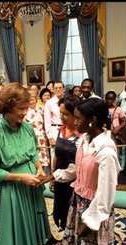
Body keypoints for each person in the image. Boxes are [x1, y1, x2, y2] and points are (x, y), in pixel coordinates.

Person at [39, 98, 120, 245]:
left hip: (94, 207)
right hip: (79, 201)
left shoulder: (106, 151)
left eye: (78, 118)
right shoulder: (85, 139)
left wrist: (91, 222)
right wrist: (52, 176)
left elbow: (106, 192)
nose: (74, 122)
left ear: (93, 120)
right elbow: (78, 169)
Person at [0, 82, 51, 245]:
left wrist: (38, 167)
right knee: (18, 233)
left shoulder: (28, 128)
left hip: (32, 186)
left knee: (33, 230)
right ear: (7, 107)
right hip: (12, 189)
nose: (24, 112)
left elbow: (33, 153)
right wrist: (20, 177)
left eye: (26, 108)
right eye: (20, 108)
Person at [49, 95, 82, 235]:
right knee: (60, 208)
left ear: (76, 115)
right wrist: (52, 176)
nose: (61, 116)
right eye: (60, 112)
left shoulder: (82, 135)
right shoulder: (61, 130)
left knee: (72, 212)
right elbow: (56, 154)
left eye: (65, 114)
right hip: (58, 178)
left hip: (74, 182)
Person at [24, 93, 50, 174]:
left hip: (41, 137)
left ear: (36, 100)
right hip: (30, 137)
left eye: (33, 100)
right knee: (33, 157)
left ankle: (41, 176)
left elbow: (46, 123)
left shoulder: (41, 109)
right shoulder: (25, 111)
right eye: (29, 100)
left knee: (42, 159)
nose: (31, 102)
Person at [44, 81, 66, 148]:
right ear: (53, 90)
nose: (58, 89)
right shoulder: (49, 103)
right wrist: (50, 137)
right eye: (56, 88)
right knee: (55, 155)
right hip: (55, 131)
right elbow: (47, 121)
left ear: (64, 89)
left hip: (67, 130)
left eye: (60, 87)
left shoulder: (67, 101)